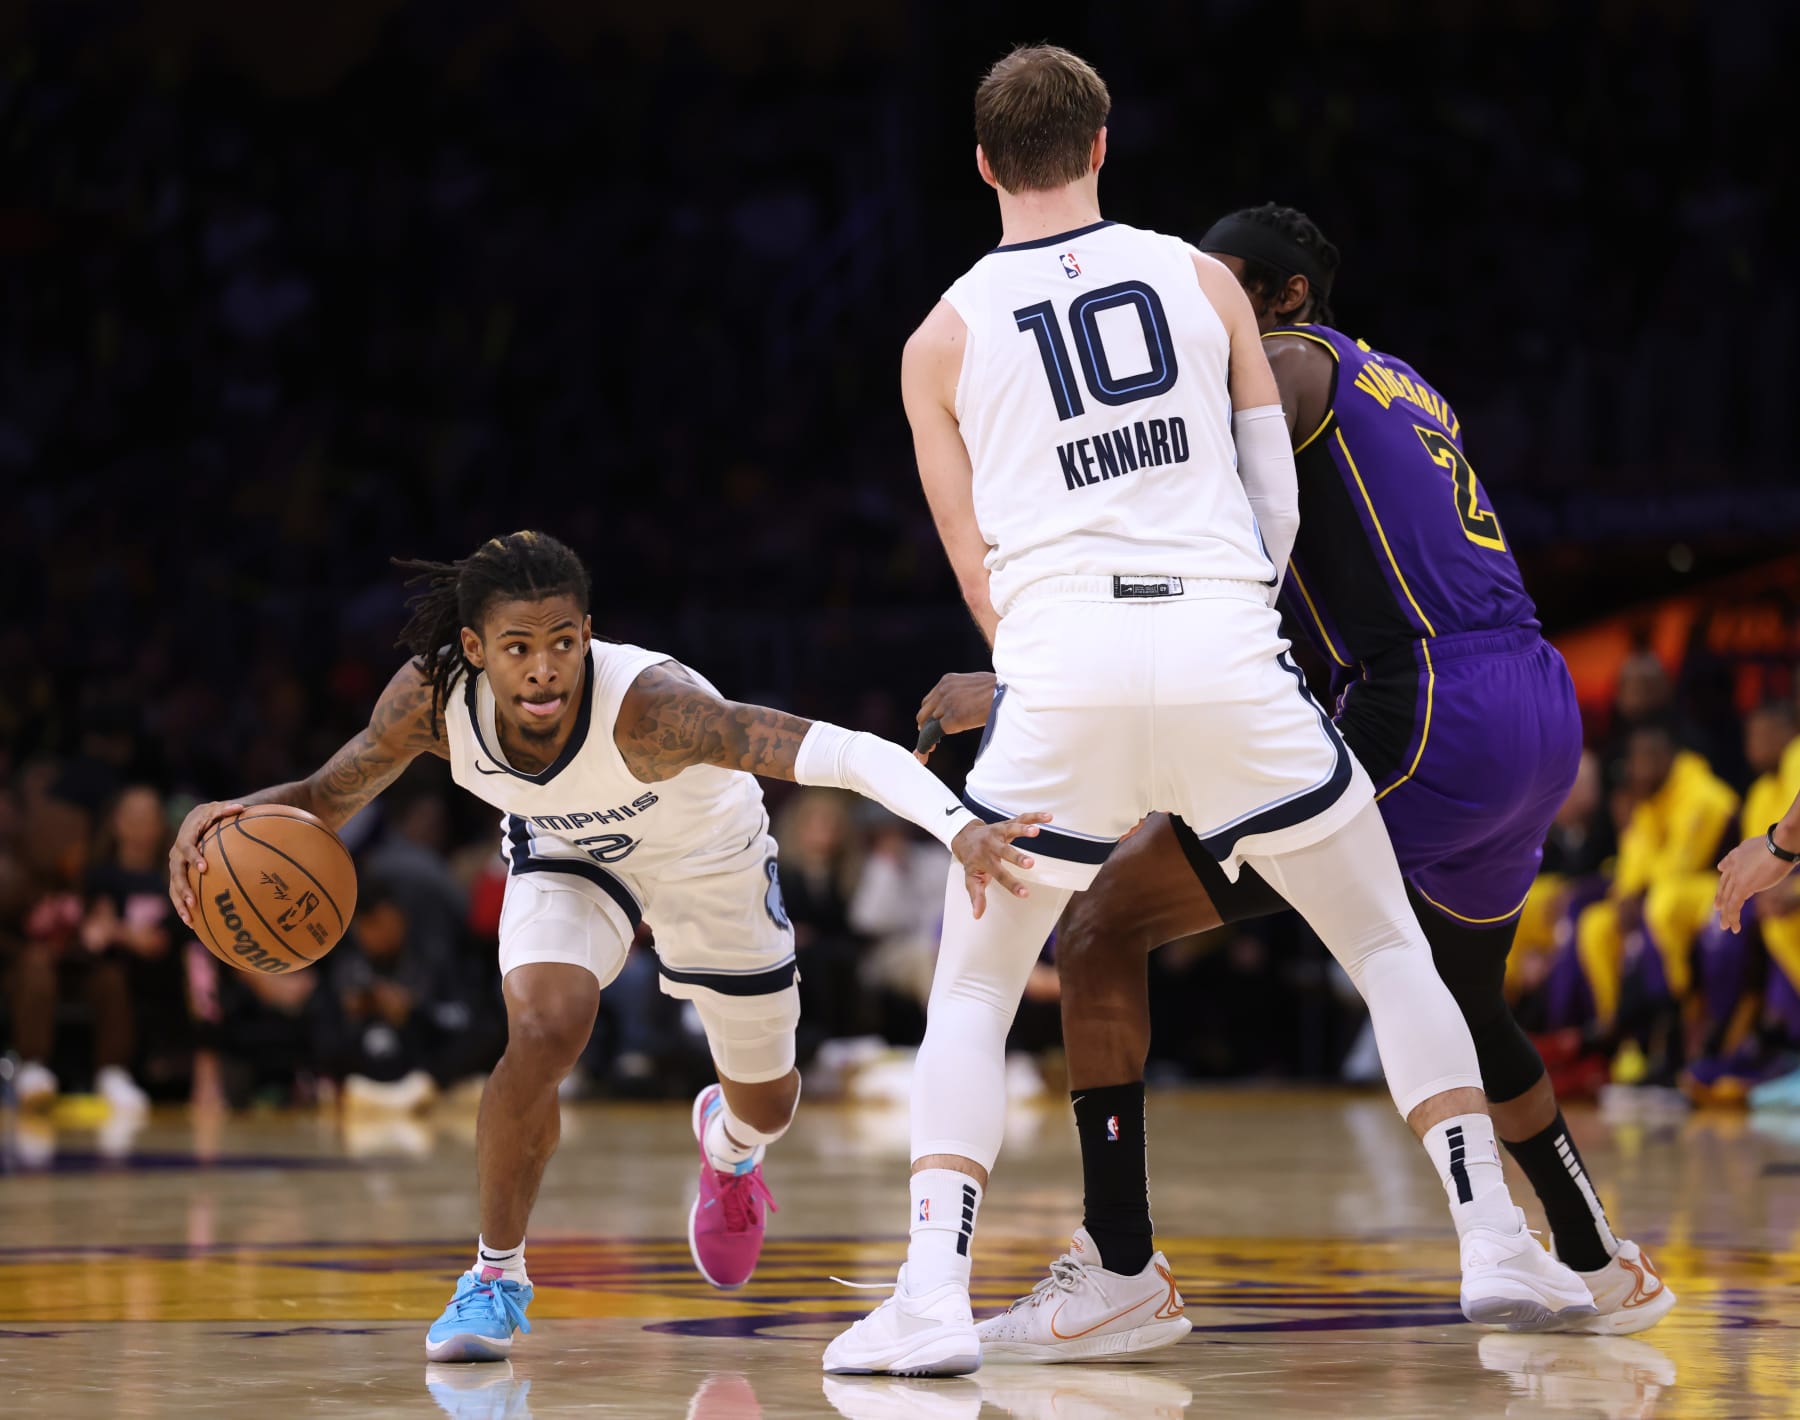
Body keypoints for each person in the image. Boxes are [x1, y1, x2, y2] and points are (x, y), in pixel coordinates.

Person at [825, 51, 1591, 1379]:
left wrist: (1033, 673)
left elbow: (973, 562)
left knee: (979, 978)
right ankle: (1500, 1243)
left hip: (1071, 660)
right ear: (1106, 145)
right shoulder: (1201, 284)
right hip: (1251, 661)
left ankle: (936, 1298)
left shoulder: (936, 339)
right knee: (1390, 949)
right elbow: (1265, 502)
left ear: (983, 165)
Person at [915, 198, 1680, 1358]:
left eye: (1221, 288)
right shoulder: (1396, 378)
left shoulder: (1282, 366)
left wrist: (1023, 684)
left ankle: (1119, 1263)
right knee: (1458, 1001)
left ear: (1277, 300)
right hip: (1534, 698)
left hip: (1421, 702)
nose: (1196, 313)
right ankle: (1595, 1258)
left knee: (1101, 926)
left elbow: (1162, 527)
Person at [167, 530, 1038, 1364]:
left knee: (770, 1102)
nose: (542, 667)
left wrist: (958, 828)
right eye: (516, 647)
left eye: (561, 641)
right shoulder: (429, 701)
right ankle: (493, 1276)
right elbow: (321, 798)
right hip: (564, 852)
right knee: (545, 1028)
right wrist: (217, 823)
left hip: (710, 861)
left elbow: (839, 753)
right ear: (474, 648)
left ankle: (729, 1147)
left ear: (587, 634)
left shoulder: (656, 713)